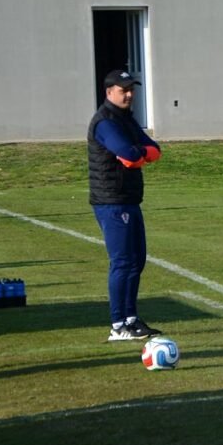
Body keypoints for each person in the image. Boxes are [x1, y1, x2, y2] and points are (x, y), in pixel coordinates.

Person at [88, 70, 163, 342]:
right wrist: (138, 154)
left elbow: (154, 150)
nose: (129, 94)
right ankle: (118, 325)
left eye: (131, 89)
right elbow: (129, 153)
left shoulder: (126, 119)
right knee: (123, 262)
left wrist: (138, 154)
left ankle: (131, 319)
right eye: (123, 90)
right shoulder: (105, 122)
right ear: (109, 92)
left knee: (137, 260)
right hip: (112, 200)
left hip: (129, 199)